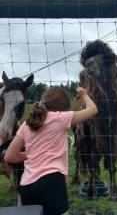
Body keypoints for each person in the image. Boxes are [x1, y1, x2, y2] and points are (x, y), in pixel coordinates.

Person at [4, 86, 97, 215]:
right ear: (63, 107)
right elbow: (92, 109)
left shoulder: (27, 124)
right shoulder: (61, 118)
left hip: (26, 187)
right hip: (51, 182)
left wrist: (31, 154)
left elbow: (9, 156)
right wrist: (84, 95)